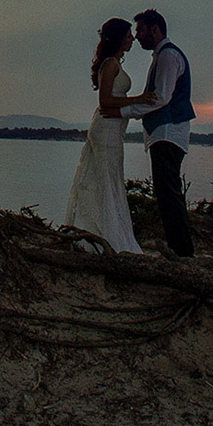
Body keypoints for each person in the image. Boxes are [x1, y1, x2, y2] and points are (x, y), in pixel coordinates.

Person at [64, 17, 147, 253]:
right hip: (106, 129)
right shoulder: (110, 64)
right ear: (119, 37)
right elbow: (105, 101)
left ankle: (108, 232)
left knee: (109, 177)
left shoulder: (113, 63)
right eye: (129, 35)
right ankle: (105, 237)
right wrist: (138, 99)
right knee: (105, 177)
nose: (132, 38)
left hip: (113, 128)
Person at [120, 9, 194, 257]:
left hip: (168, 133)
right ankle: (180, 249)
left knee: (168, 194)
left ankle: (182, 252)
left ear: (154, 29)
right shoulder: (162, 55)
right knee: (167, 193)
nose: (137, 36)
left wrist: (126, 111)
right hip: (164, 133)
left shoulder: (168, 56)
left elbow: (161, 97)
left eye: (140, 30)